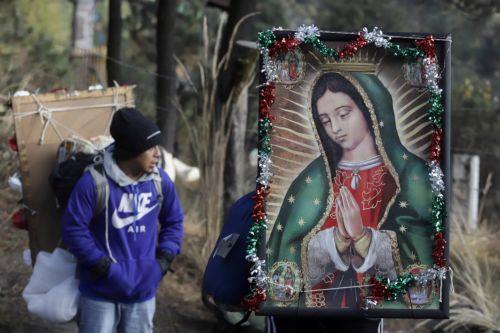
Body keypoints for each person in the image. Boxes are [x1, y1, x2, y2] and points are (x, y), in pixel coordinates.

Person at [267, 71, 434, 311]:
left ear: (370, 109)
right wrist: (337, 241)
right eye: (325, 121)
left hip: (368, 311)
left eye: (344, 114)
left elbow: (420, 250)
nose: (335, 128)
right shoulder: (313, 180)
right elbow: (287, 252)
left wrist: (364, 237)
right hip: (313, 315)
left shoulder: (410, 175)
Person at [62, 107, 184, 333]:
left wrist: (163, 262)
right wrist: (103, 267)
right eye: (149, 148)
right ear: (130, 151)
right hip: (99, 293)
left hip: (143, 294)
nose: (157, 153)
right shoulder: (93, 183)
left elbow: (174, 222)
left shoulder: (160, 181)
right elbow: (73, 230)